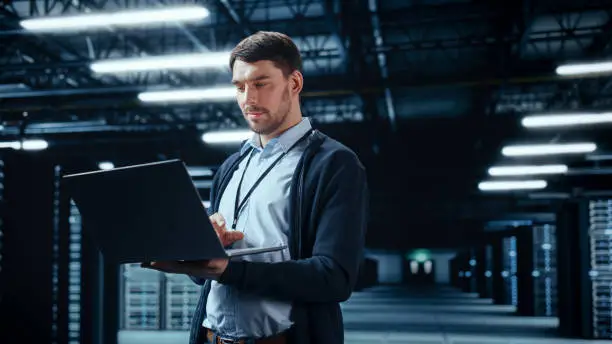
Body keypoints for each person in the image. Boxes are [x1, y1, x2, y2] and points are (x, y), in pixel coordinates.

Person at [142, 31, 369, 344]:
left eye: (261, 83)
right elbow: (207, 276)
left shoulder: (333, 164)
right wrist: (194, 253)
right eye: (240, 86)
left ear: (294, 84)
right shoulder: (231, 168)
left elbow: (334, 278)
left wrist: (229, 270)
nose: (248, 98)